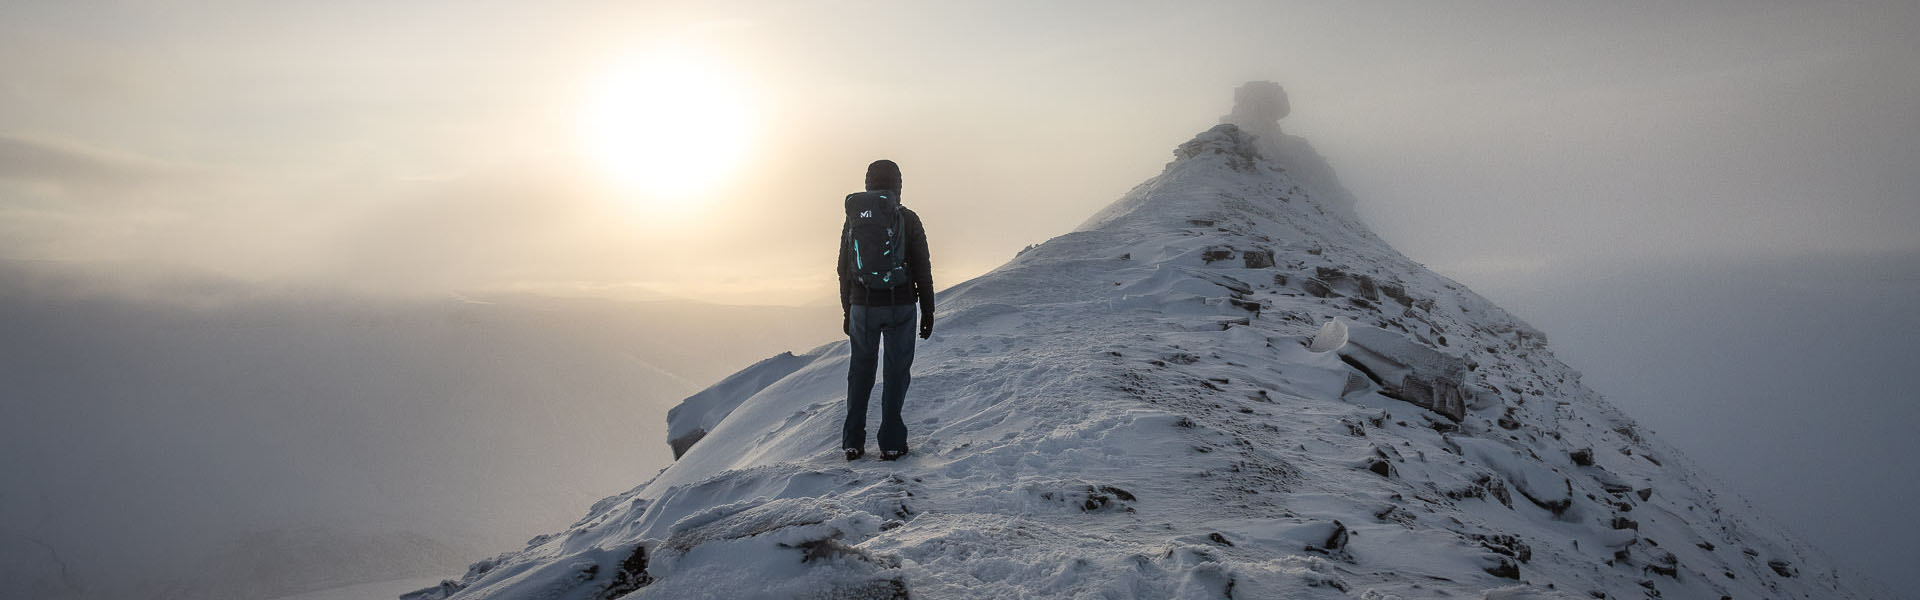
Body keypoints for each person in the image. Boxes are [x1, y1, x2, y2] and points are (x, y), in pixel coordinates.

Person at [838, 159, 934, 461]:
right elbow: (922, 268)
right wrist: (928, 310)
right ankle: (891, 443)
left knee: (860, 372)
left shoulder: (853, 219)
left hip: (861, 306)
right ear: (898, 186)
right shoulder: (908, 219)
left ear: (868, 184)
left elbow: (843, 269)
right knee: (895, 374)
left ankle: (853, 442)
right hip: (900, 306)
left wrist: (847, 310)